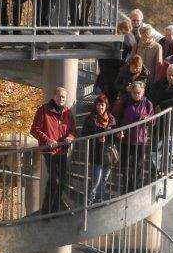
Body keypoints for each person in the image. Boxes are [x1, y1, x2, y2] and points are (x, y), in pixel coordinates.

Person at [30, 86, 77, 214]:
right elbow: (34, 130)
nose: (61, 99)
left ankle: (54, 209)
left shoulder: (67, 112)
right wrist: (47, 140)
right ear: (54, 97)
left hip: (62, 150)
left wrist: (70, 137)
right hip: (49, 150)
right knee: (54, 179)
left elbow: (73, 130)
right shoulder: (43, 110)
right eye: (59, 96)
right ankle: (46, 210)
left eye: (64, 97)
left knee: (61, 181)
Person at [113, 81, 155, 192]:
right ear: (131, 92)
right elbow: (119, 118)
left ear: (143, 92)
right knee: (125, 165)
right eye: (134, 93)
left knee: (138, 165)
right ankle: (126, 188)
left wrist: (147, 119)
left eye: (138, 93)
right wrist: (120, 130)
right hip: (126, 139)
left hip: (140, 139)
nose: (136, 95)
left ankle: (136, 188)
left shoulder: (147, 104)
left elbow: (152, 121)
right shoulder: (126, 102)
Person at [81, 94, 117, 205]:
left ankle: (99, 199)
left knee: (105, 179)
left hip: (108, 155)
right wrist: (97, 138)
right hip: (96, 153)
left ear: (106, 105)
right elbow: (84, 134)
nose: (100, 107)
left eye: (102, 105)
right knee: (96, 180)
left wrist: (118, 136)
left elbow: (114, 136)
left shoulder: (111, 119)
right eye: (98, 105)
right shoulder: (91, 119)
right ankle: (89, 201)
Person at [95, 18, 132, 102]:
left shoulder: (121, 40)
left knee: (109, 95)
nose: (127, 32)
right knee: (109, 95)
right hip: (111, 72)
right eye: (126, 30)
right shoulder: (121, 41)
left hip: (111, 72)